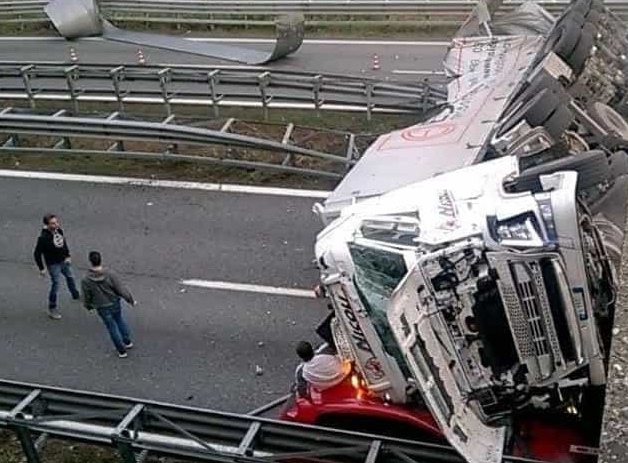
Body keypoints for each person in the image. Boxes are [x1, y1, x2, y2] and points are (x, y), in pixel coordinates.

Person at [81, 251, 136, 358]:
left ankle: (121, 351)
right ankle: (127, 341)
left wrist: (88, 305)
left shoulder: (86, 280)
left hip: (102, 306)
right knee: (119, 320)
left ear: (90, 261)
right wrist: (130, 300)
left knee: (111, 327)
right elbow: (120, 289)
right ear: (100, 259)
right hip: (114, 302)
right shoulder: (110, 274)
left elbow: (86, 295)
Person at [33, 213, 80, 320]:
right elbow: (37, 254)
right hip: (53, 264)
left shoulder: (59, 231)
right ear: (47, 225)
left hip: (63, 261)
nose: (56, 224)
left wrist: (67, 255)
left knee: (70, 277)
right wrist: (42, 268)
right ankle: (52, 308)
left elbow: (63, 243)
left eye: (57, 222)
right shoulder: (43, 238)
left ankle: (75, 294)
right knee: (56, 285)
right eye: (53, 223)